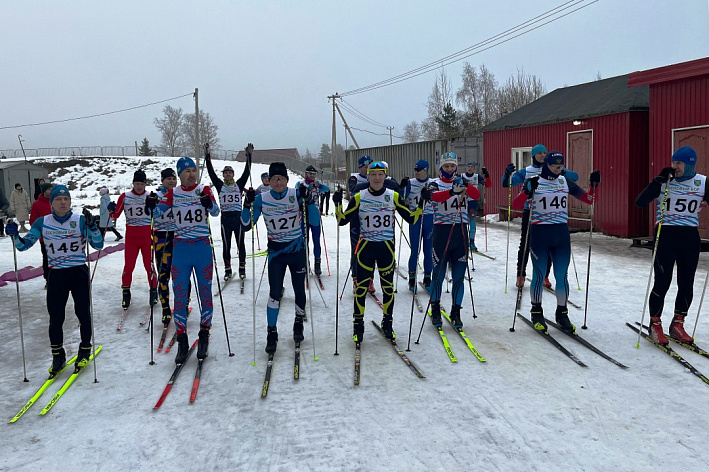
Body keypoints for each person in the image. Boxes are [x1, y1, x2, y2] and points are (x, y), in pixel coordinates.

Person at [7, 185, 103, 374]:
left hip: (78, 273)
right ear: (51, 203)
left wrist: (92, 226)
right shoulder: (42, 223)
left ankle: (84, 349)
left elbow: (98, 244)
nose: (63, 202)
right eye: (58, 200)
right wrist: (14, 235)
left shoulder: (80, 220)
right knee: (56, 317)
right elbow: (23, 246)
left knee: (83, 313)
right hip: (56, 274)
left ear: (70, 201)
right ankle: (58, 356)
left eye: (66, 199)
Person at [511, 151, 599, 333]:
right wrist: (527, 190)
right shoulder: (534, 181)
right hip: (540, 233)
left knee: (562, 276)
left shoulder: (564, 181)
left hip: (560, 234)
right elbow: (516, 205)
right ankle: (536, 311)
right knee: (538, 273)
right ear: (547, 166)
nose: (559, 170)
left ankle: (562, 313)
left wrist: (594, 186)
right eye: (556, 167)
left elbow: (589, 200)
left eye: (561, 167)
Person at [335, 161, 423, 342]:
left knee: (388, 289)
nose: (376, 178)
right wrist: (337, 204)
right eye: (373, 174)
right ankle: (358, 325)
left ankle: (387, 323)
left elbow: (411, 219)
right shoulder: (359, 196)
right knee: (361, 290)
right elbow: (342, 220)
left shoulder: (393, 196)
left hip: (386, 249)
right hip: (366, 248)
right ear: (368, 176)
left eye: (380, 174)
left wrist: (422, 202)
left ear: (385, 176)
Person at [241, 162, 320, 354]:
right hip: (276, 253)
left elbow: (316, 222)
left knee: (299, 290)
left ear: (287, 179)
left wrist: (309, 202)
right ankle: (271, 332)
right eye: (274, 178)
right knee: (275, 293)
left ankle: (298, 323)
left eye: (282, 178)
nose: (278, 182)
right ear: (269, 180)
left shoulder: (296, 195)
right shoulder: (262, 199)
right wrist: (246, 205)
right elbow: (245, 225)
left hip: (297, 251)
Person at [147, 156, 220, 363]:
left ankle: (204, 335)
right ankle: (182, 339)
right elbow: (158, 216)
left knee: (205, 292)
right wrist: (152, 205)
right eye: (186, 171)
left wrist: (209, 203)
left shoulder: (204, 190)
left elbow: (215, 212)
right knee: (180, 296)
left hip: (201, 247)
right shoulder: (172, 193)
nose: (191, 174)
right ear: (179, 175)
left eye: (193, 170)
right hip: (180, 249)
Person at [635, 146, 705, 345]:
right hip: (665, 234)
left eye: (679, 163)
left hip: (690, 237)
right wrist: (657, 181)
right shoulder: (666, 181)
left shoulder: (702, 182)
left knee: (686, 283)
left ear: (690, 164)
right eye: (674, 162)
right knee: (662, 281)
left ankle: (678, 323)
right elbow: (640, 202)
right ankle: (655, 324)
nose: (675, 167)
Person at [502, 144, 579, 289]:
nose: (543, 155)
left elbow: (575, 177)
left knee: (549, 246)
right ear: (533, 156)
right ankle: (521, 275)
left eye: (545, 153)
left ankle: (544, 275)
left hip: (551, 214)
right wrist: (506, 174)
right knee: (525, 242)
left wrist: (562, 171)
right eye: (540, 153)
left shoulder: (554, 168)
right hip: (530, 211)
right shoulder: (527, 171)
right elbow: (507, 184)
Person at [420, 152, 480, 329]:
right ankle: (436, 307)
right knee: (438, 275)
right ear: (441, 167)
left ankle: (456, 310)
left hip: (460, 232)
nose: (449, 169)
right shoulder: (434, 183)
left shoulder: (462, 181)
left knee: (459, 276)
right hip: (441, 231)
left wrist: (465, 187)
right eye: (446, 166)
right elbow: (433, 197)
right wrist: (451, 191)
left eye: (452, 166)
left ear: (456, 167)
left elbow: (476, 195)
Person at [110, 170, 157, 309]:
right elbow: (115, 216)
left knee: (149, 266)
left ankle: (153, 292)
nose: (139, 186)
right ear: (133, 183)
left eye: (142, 184)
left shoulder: (151, 196)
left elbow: (159, 214)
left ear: (145, 184)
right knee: (128, 266)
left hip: (147, 235)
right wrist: (111, 210)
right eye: (137, 183)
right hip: (131, 237)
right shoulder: (125, 196)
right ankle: (126, 293)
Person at [205, 143, 253, 280]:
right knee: (226, 245)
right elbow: (211, 173)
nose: (227, 174)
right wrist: (207, 155)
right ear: (224, 175)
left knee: (240, 244)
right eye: (225, 173)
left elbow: (247, 172)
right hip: (225, 218)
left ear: (233, 174)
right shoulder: (220, 185)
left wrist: (249, 155)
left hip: (237, 218)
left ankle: (242, 269)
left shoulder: (239, 185)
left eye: (230, 173)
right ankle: (227, 270)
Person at [403, 159, 434, 291]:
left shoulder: (433, 183)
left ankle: (427, 278)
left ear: (426, 170)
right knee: (415, 250)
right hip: (415, 218)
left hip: (429, 218)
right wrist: (402, 187)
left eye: (418, 170)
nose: (416, 172)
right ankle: (412, 279)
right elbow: (403, 199)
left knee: (428, 250)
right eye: (415, 170)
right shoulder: (411, 183)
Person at [153, 168, 179, 326]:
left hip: (178, 236)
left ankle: (182, 304)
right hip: (162, 236)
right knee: (163, 273)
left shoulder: (180, 194)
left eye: (173, 178)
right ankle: (165, 308)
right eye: (168, 178)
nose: (171, 181)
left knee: (181, 273)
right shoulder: (156, 196)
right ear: (162, 180)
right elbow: (149, 212)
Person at [296, 165, 329, 276]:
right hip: (303, 215)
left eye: (314, 174)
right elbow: (296, 196)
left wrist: (318, 185)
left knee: (316, 240)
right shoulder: (300, 184)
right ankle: (305, 262)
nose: (312, 176)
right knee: (304, 241)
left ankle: (317, 263)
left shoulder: (317, 185)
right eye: (310, 174)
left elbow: (327, 189)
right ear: (305, 174)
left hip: (314, 215)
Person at [460, 162, 491, 251]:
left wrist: (487, 175)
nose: (470, 168)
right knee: (463, 222)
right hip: (463, 202)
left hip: (473, 202)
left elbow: (488, 185)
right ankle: (463, 241)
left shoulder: (477, 177)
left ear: (474, 169)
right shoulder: (461, 176)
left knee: (472, 223)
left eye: (472, 167)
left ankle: (472, 242)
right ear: (466, 168)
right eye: (468, 167)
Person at [29, 182, 53, 284]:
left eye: (52, 189)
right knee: (47, 258)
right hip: (45, 237)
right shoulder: (37, 204)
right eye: (48, 189)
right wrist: (42, 230)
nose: (51, 191)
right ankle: (48, 278)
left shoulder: (56, 201)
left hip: (59, 235)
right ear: (44, 191)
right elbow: (33, 221)